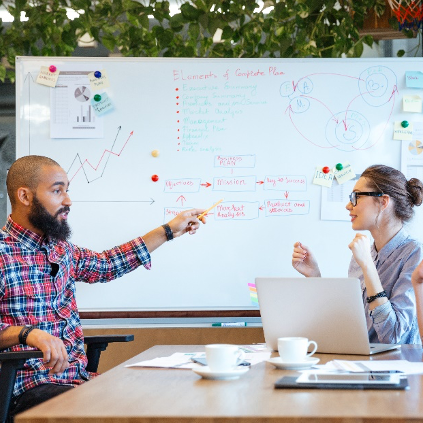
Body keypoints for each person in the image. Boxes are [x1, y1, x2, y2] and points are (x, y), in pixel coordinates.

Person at [0, 155, 206, 419]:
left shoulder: (62, 251)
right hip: (25, 389)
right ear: (25, 196)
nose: (68, 201)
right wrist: (28, 334)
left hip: (76, 380)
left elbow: (107, 264)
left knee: (155, 396)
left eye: (67, 190)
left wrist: (168, 230)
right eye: (57, 190)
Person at [292, 164, 423, 345]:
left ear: (383, 202)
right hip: (360, 363)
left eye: (356, 197)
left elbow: (392, 336)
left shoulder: (415, 254)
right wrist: (315, 276)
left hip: (397, 368)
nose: (348, 205)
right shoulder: (361, 255)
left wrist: (368, 266)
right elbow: (348, 325)